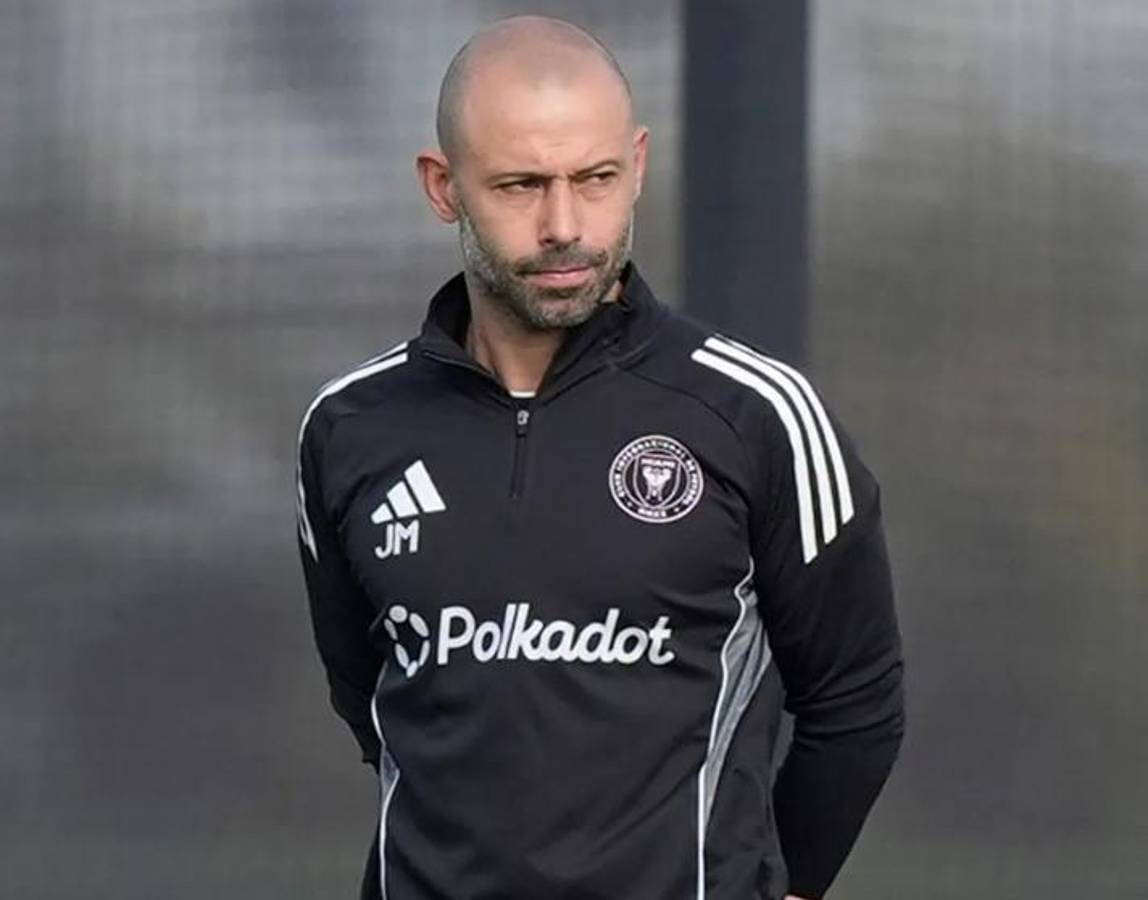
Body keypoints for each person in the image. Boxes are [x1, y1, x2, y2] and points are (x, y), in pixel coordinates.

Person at [295, 15, 905, 900]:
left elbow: (857, 706)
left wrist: (787, 887)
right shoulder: (349, 426)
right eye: (520, 185)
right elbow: (371, 700)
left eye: (595, 179)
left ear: (639, 165)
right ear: (443, 186)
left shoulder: (758, 414)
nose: (563, 225)